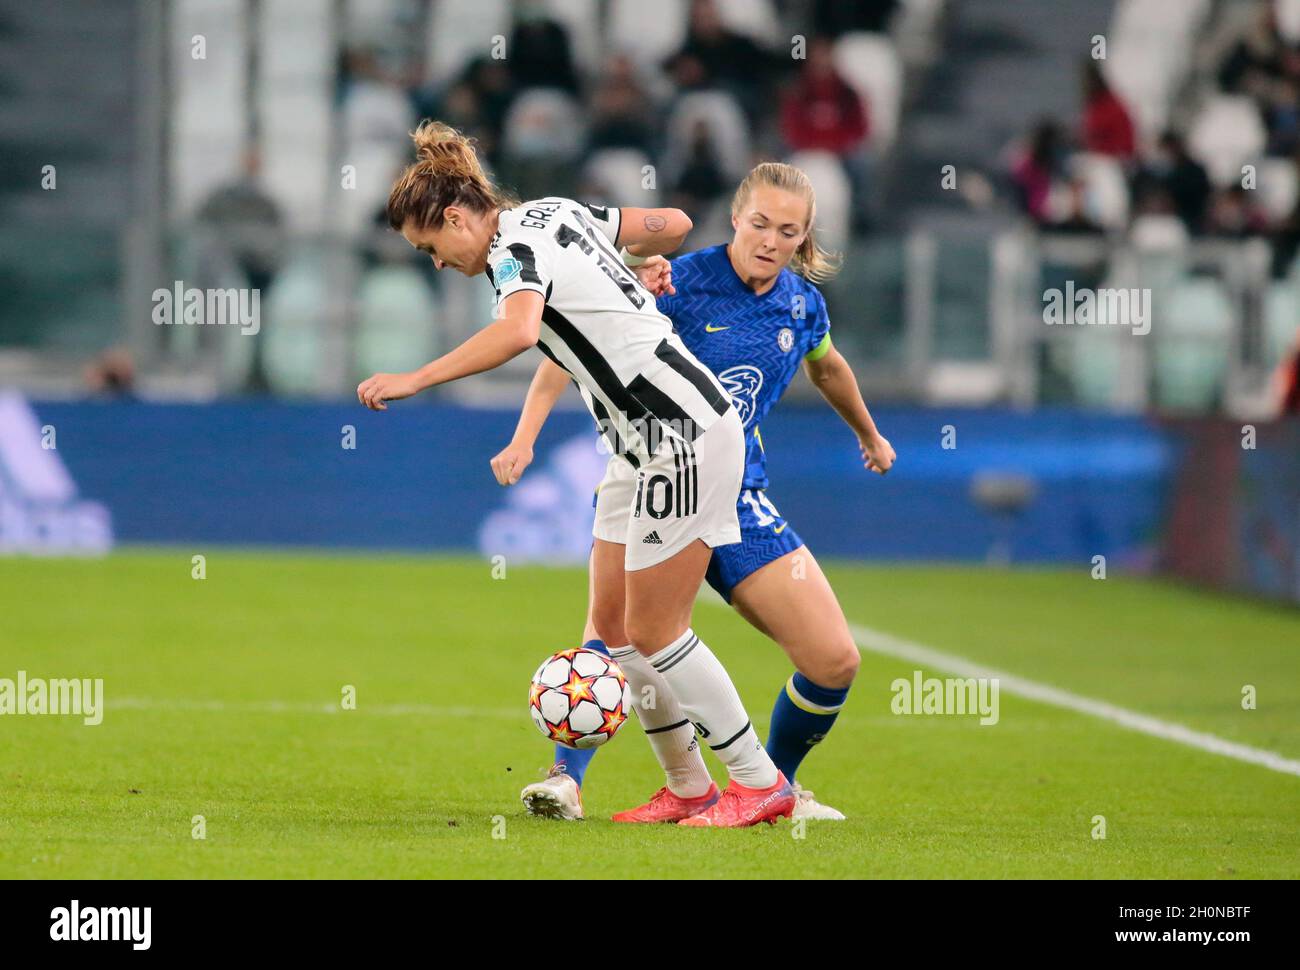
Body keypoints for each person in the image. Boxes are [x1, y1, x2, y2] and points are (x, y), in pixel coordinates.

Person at [359, 121, 795, 827]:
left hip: (677, 430)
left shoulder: (512, 248)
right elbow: (675, 223)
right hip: (635, 443)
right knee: (617, 627)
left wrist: (418, 377)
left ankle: (758, 780)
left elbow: (518, 331)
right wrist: (635, 271)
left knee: (657, 628)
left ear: (458, 217)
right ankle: (689, 788)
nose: (436, 264)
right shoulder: (557, 212)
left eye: (431, 249)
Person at [499, 162, 896, 822]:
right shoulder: (673, 279)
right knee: (614, 630)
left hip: (739, 494)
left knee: (833, 661)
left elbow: (828, 368)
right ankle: (571, 780)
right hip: (654, 474)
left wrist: (870, 434)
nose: (770, 240)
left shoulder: (802, 304)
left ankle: (773, 787)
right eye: (760, 223)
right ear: (736, 217)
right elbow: (567, 350)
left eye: (788, 231)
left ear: (803, 238)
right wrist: (524, 437)